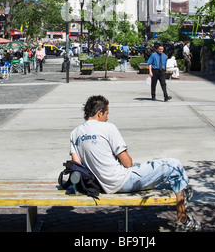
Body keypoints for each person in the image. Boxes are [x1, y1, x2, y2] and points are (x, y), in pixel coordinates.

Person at [70, 95, 200, 232]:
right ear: (99, 113)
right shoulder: (108, 128)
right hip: (123, 180)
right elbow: (127, 163)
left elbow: (77, 164)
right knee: (174, 165)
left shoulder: (75, 133)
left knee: (160, 173)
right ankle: (183, 219)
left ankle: (182, 193)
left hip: (104, 184)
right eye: (106, 114)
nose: (107, 118)